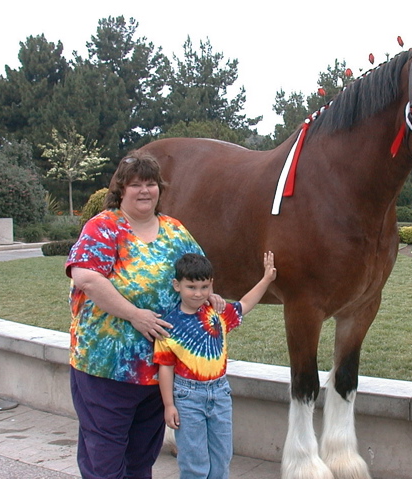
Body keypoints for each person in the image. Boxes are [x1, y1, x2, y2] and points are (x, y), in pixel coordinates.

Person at [65, 150, 224, 479]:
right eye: (135, 184)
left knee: (141, 458)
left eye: (150, 183)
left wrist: (209, 296)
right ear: (121, 190)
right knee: (105, 460)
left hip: (158, 371)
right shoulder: (104, 227)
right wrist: (135, 315)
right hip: (106, 368)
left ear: (159, 189)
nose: (144, 191)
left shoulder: (174, 230)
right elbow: (86, 277)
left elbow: (197, 274)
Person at [154, 251, 277, 479]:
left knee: (222, 458)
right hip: (187, 398)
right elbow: (165, 367)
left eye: (204, 287)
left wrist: (266, 279)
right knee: (194, 462)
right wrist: (169, 405)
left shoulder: (217, 313)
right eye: (191, 287)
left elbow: (246, 304)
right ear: (176, 285)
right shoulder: (168, 326)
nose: (198, 293)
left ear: (211, 285)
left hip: (220, 394)